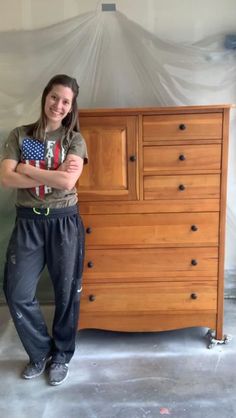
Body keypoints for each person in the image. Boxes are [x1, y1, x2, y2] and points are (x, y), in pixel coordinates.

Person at [0, 74, 88, 386]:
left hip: (64, 221)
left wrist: (25, 168)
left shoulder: (73, 139)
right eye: (55, 97)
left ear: (71, 106)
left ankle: (61, 356)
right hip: (28, 222)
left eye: (66, 101)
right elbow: (7, 179)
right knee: (17, 291)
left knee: (66, 294)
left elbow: (67, 183)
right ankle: (40, 352)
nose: (59, 105)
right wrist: (48, 174)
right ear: (45, 97)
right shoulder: (21, 135)